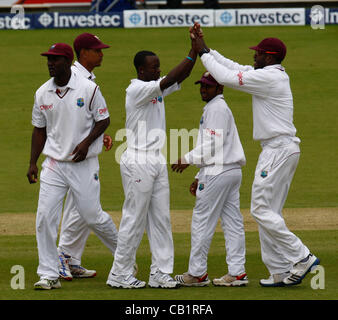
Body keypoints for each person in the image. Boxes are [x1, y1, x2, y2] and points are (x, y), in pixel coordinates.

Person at [190, 23, 320, 287]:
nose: (254, 56)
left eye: (258, 53)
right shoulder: (268, 73)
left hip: (277, 150)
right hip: (280, 149)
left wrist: (202, 53)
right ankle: (280, 270)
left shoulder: (270, 78)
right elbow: (234, 68)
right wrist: (207, 47)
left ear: (269, 57)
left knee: (260, 209)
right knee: (269, 211)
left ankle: (301, 256)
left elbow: (225, 78)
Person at [27, 43, 118, 290]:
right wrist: (33, 163)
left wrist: (87, 143)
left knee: (92, 216)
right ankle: (48, 274)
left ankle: (124, 257)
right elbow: (39, 130)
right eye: (48, 60)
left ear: (68, 62)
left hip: (83, 164)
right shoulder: (42, 93)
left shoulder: (88, 88)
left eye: (55, 60)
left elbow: (104, 119)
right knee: (44, 218)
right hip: (54, 165)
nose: (50, 63)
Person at [106, 46, 198, 289]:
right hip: (138, 159)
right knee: (134, 218)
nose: (158, 70)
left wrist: (196, 52)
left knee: (161, 219)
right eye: (154, 67)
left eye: (159, 66)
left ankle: (160, 272)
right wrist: (190, 52)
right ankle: (119, 273)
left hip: (156, 159)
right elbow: (170, 78)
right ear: (141, 70)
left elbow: (181, 76)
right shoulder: (137, 89)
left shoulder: (154, 87)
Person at [171, 71, 248, 287]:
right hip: (230, 171)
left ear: (220, 88)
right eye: (202, 86)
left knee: (202, 222)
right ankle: (237, 273)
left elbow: (213, 144)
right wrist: (198, 175)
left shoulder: (216, 109)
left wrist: (187, 159)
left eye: (208, 86)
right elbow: (213, 144)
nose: (203, 90)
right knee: (232, 222)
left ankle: (197, 274)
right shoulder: (216, 108)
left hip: (218, 172)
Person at [57, 33, 115, 281]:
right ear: (83, 53)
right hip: (75, 155)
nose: (101, 53)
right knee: (83, 208)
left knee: (80, 208)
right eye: (97, 50)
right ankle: (61, 256)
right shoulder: (75, 76)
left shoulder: (87, 77)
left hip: (83, 151)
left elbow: (83, 115)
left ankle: (71, 258)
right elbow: (64, 113)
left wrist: (98, 136)